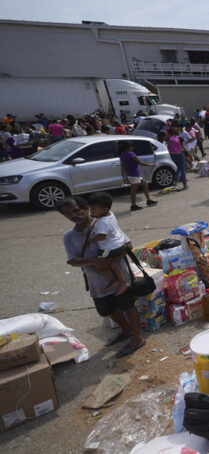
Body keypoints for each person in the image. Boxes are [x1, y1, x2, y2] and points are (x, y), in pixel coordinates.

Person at [58, 196, 145, 357]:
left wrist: (110, 262)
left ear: (85, 208)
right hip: (97, 283)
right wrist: (94, 262)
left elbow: (127, 244)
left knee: (128, 306)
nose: (74, 215)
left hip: (120, 278)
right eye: (68, 213)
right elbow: (72, 260)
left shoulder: (104, 222)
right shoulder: (69, 237)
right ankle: (125, 330)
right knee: (107, 310)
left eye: (77, 210)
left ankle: (137, 339)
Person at [85, 193, 131, 295]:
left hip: (109, 248)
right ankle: (123, 282)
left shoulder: (102, 222)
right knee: (113, 263)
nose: (91, 212)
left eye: (94, 209)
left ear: (104, 209)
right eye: (90, 209)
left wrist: (90, 240)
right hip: (118, 244)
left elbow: (102, 237)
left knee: (98, 263)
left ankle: (116, 281)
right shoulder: (111, 214)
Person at [119, 141, 158, 211]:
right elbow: (140, 163)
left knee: (145, 184)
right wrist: (151, 165)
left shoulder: (123, 154)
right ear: (129, 147)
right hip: (134, 174)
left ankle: (148, 200)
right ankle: (133, 205)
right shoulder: (131, 154)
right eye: (132, 147)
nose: (133, 148)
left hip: (131, 174)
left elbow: (123, 165)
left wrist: (126, 174)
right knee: (133, 190)